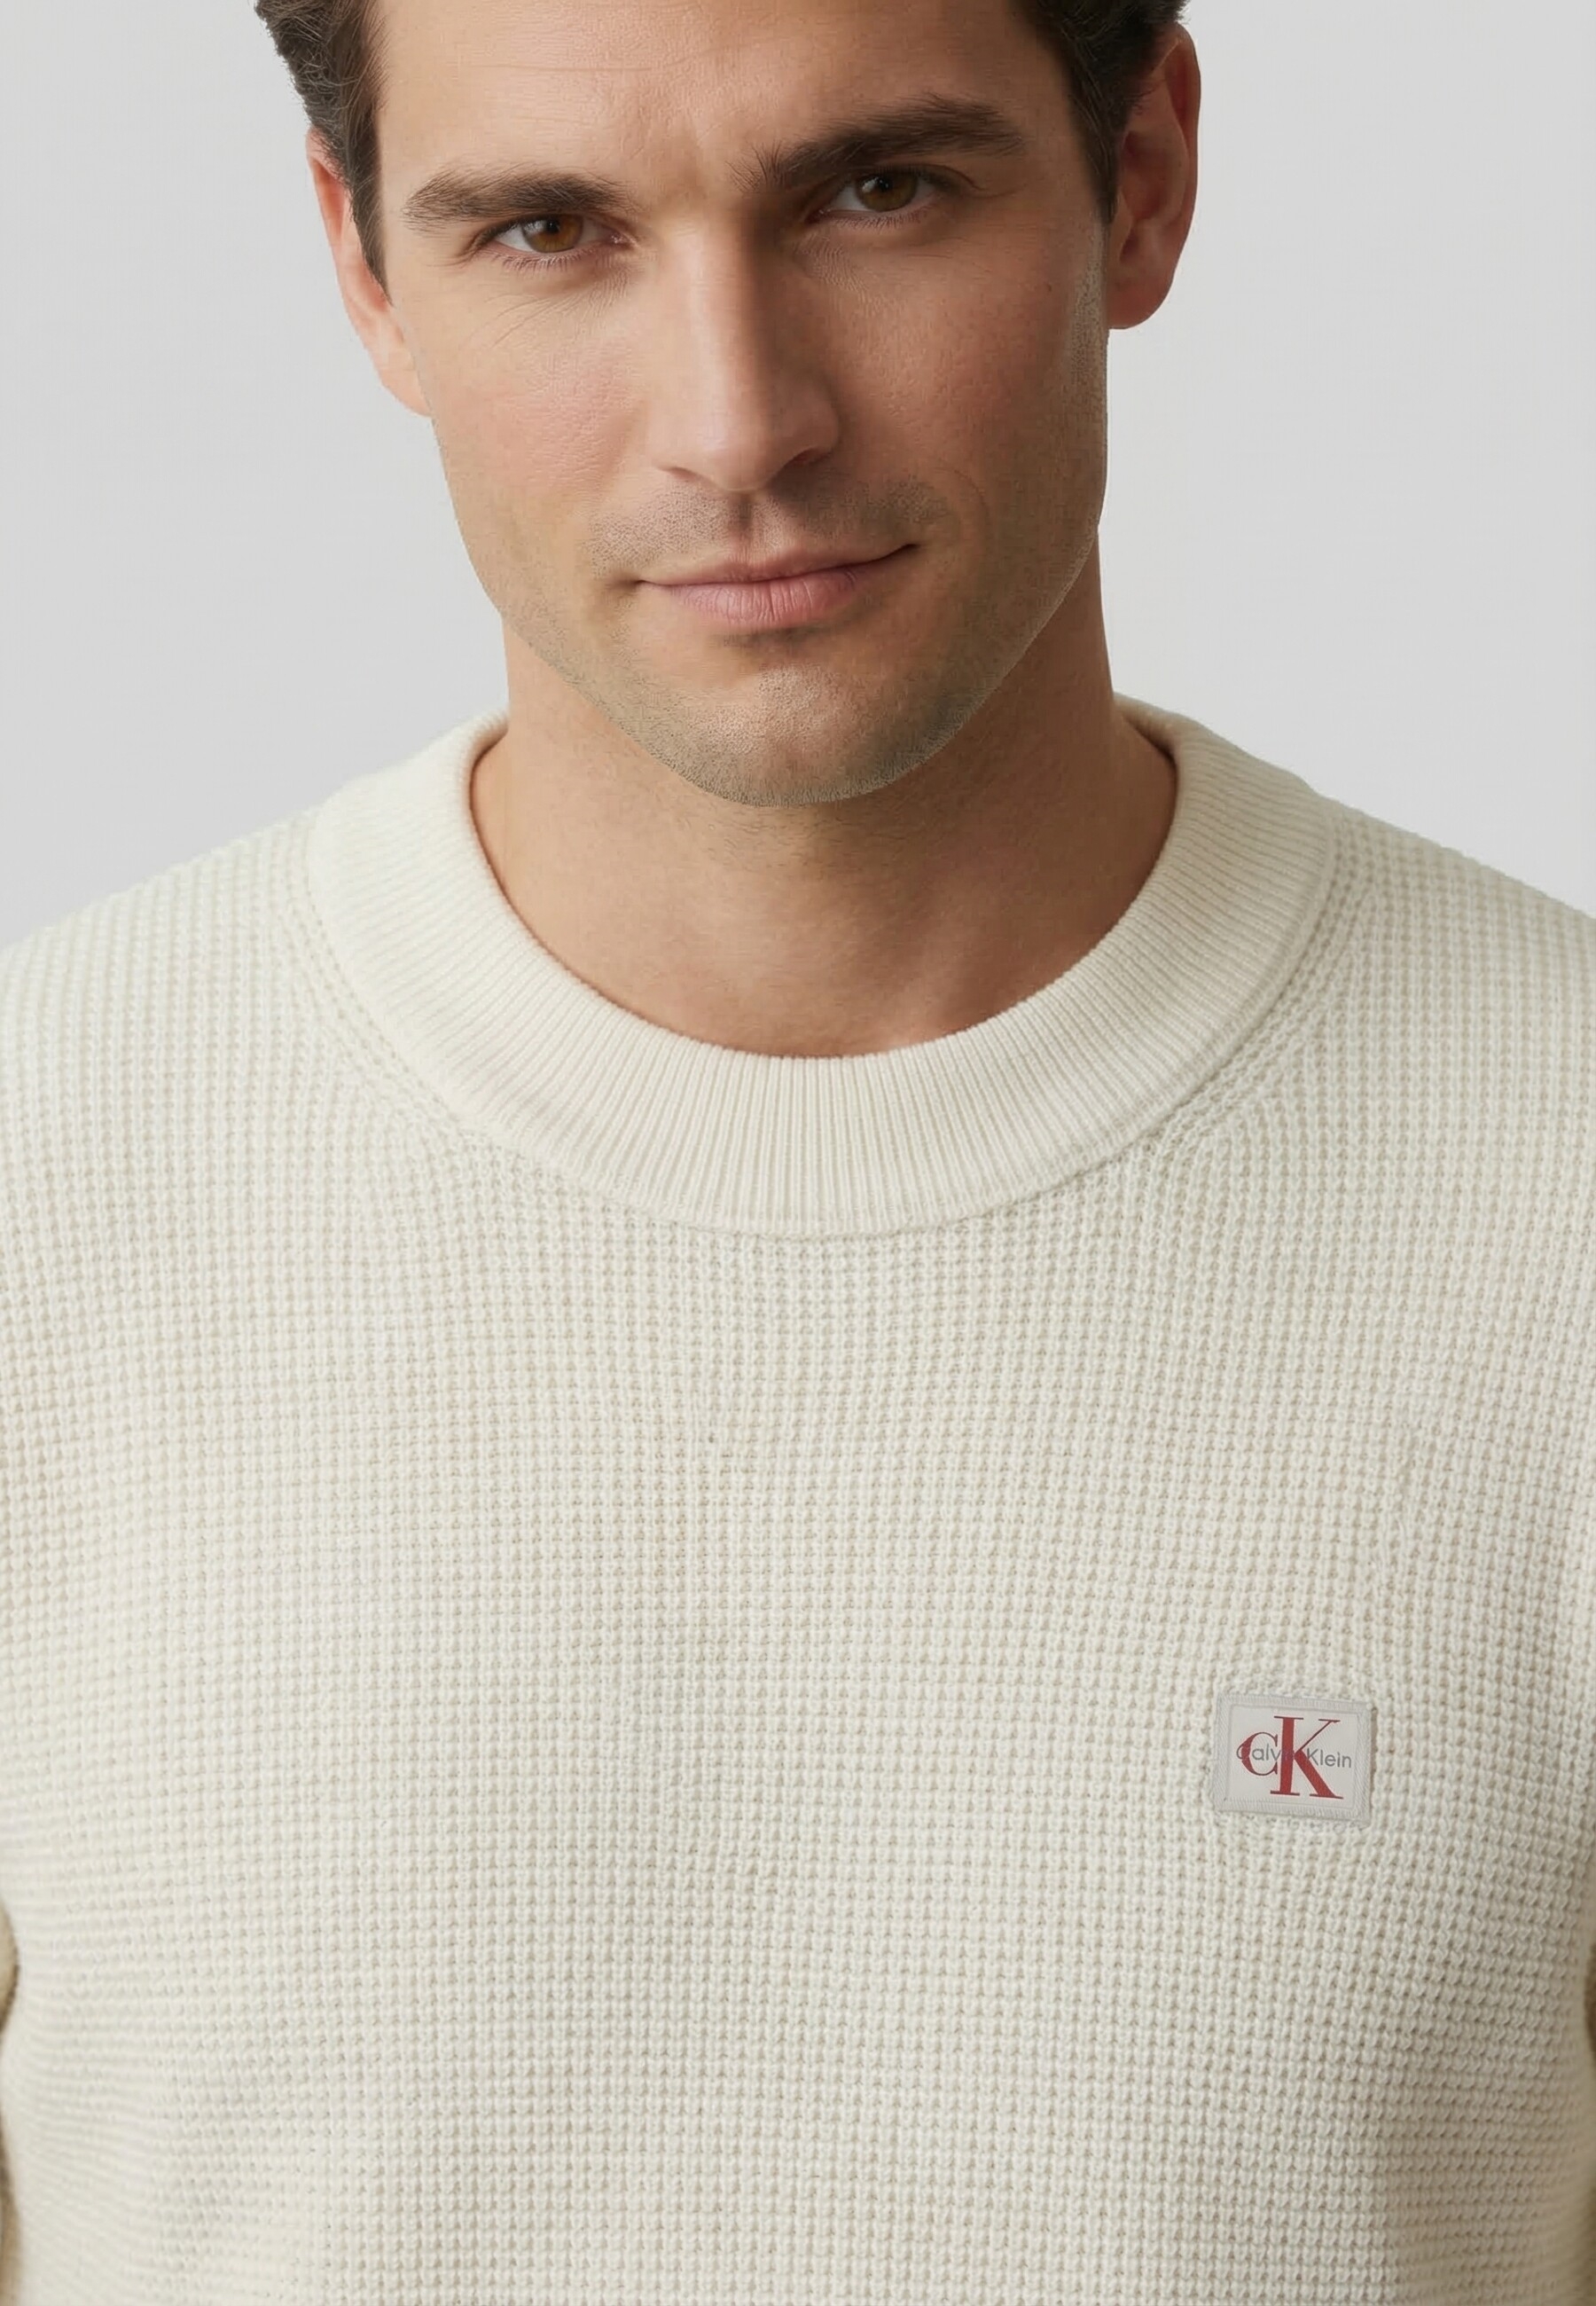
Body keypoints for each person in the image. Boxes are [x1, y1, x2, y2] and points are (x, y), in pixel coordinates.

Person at [0, 0, 1592, 2294]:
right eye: (551, 231)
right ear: (363, 265)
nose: (740, 423)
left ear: (1143, 176)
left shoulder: (1559, 1186)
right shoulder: (46, 1193)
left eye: (878, 192)